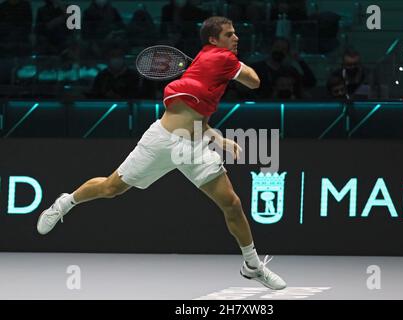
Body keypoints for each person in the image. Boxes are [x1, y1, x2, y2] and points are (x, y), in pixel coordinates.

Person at [36, 16, 286, 290]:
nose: (236, 38)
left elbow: (196, 114)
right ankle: (65, 202)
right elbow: (255, 81)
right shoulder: (222, 59)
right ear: (213, 40)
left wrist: (218, 138)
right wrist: (237, 66)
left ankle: (252, 265)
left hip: (194, 147)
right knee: (111, 188)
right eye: (229, 34)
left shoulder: (204, 67)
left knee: (232, 203)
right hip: (162, 140)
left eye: (235, 33)